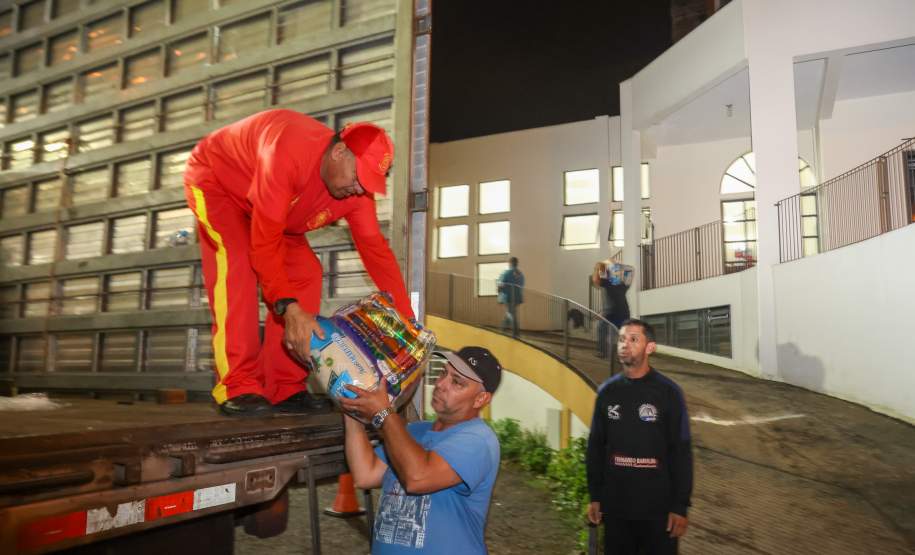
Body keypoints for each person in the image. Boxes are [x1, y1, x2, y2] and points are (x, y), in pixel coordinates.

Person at [183, 109, 414, 417]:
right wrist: (288, 308)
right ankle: (237, 384)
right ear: (340, 152)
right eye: (359, 178)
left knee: (306, 272)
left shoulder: (355, 195)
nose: (360, 189)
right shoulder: (287, 154)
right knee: (237, 265)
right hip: (217, 184)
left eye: (369, 184)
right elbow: (264, 246)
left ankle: (284, 387)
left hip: (273, 212)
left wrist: (408, 323)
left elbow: (376, 252)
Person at [340, 346, 502, 554]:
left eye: (456, 382)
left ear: (481, 399)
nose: (441, 384)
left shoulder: (479, 440)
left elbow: (417, 478)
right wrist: (351, 409)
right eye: (443, 372)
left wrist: (384, 414)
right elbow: (365, 474)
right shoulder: (414, 431)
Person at [586, 319, 693, 555]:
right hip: (617, 510)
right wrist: (596, 495)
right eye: (622, 339)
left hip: (659, 513)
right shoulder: (607, 392)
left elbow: (681, 451)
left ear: (650, 348)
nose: (625, 344)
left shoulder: (669, 393)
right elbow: (595, 447)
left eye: (634, 339)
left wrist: (680, 506)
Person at [592, 260, 632, 358]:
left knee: (601, 328)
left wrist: (601, 266)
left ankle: (602, 352)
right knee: (622, 334)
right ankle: (625, 353)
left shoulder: (607, 282)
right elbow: (630, 270)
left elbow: (598, 277)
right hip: (624, 313)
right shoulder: (622, 285)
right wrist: (620, 266)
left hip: (611, 313)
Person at [497, 257, 524, 338]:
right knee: (511, 313)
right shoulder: (520, 274)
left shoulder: (507, 273)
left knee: (511, 314)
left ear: (510, 263)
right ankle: (504, 330)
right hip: (517, 297)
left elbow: (501, 285)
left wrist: (499, 295)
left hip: (508, 297)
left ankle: (513, 333)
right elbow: (522, 285)